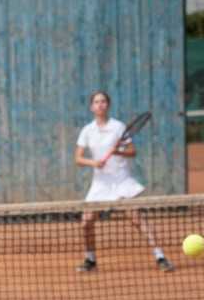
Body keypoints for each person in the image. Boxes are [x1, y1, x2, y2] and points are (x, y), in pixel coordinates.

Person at [73, 90, 174, 273]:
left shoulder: (118, 127)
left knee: (136, 219)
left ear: (108, 105)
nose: (100, 104)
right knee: (86, 222)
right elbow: (78, 159)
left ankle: (160, 256)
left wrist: (117, 151)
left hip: (121, 180)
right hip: (100, 184)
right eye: (96, 102)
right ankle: (91, 260)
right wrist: (94, 162)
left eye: (103, 101)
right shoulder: (87, 131)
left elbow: (132, 152)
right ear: (91, 107)